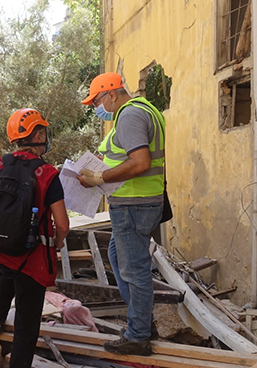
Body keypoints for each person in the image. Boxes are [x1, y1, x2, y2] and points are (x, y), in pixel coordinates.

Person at [0, 109, 70, 368]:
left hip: (0, 248)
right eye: (43, 131)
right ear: (40, 135)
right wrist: (60, 241)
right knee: (27, 322)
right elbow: (62, 224)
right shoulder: (48, 174)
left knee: (8, 271)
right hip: (32, 256)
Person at [77, 72, 166, 356]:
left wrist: (99, 177)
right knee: (118, 256)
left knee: (133, 268)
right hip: (140, 201)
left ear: (111, 94)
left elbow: (139, 162)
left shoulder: (128, 116)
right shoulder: (144, 108)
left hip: (133, 203)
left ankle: (138, 335)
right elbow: (130, 156)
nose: (96, 109)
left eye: (97, 102)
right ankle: (141, 321)